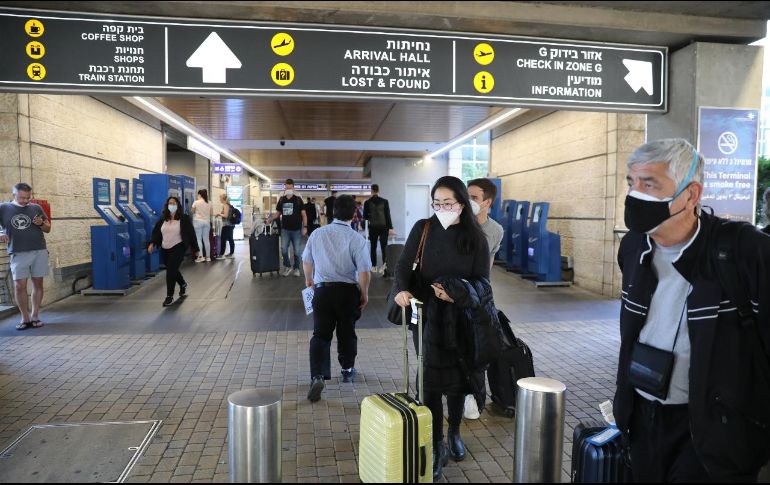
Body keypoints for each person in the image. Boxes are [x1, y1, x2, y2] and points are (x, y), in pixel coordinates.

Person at [615, 138, 770, 482]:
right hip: (643, 418)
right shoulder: (633, 247)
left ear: (691, 194)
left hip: (716, 429)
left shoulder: (745, 251)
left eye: (650, 184)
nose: (635, 194)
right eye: (632, 183)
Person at [393, 176, 490, 480]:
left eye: (448, 203)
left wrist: (457, 293)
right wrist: (401, 290)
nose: (442, 208)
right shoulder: (424, 229)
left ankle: (455, 431)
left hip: (462, 317)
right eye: (437, 203)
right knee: (430, 382)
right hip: (426, 315)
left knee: (459, 380)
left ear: (462, 203)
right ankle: (436, 443)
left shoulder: (475, 238)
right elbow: (402, 266)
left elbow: (482, 283)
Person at [302, 195, 372, 402]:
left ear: (333, 212)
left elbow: (307, 261)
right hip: (347, 292)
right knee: (346, 332)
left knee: (320, 334)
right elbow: (364, 271)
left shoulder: (317, 234)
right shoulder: (357, 238)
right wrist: (364, 293)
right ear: (353, 214)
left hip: (322, 291)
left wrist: (309, 281)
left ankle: (317, 375)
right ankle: (347, 370)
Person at [0, 183, 51, 330]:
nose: (25, 201)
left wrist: (41, 223)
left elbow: (48, 228)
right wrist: (1, 233)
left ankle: (35, 316)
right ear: (14, 194)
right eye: (21, 197)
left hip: (39, 250)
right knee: (19, 286)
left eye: (28, 198)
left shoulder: (36, 208)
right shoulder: (3, 208)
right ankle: (25, 318)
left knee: (38, 284)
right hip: (17, 251)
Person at [148, 196, 199, 307]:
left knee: (170, 271)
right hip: (165, 248)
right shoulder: (163, 219)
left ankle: (169, 296)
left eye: (174, 203)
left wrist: (196, 249)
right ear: (167, 205)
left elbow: (191, 233)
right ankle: (183, 284)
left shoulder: (184, 218)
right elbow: (156, 232)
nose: (172, 205)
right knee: (173, 269)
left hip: (178, 247)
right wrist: (152, 243)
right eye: (170, 203)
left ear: (178, 205)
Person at [270, 179, 307, 277]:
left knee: (297, 251)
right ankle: (287, 266)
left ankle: (297, 268)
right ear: (285, 187)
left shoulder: (298, 199)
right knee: (284, 250)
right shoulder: (282, 199)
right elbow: (278, 213)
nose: (289, 189)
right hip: (285, 229)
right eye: (287, 187)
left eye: (290, 187)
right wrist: (269, 219)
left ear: (293, 187)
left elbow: (304, 214)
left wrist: (305, 227)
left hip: (296, 230)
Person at [468, 178, 504, 269]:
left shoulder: (496, 230)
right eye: (467, 197)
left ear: (488, 202)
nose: (469, 202)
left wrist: (484, 282)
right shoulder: (456, 225)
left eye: (474, 198)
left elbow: (489, 260)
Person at [363, 184, 394, 273]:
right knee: (384, 247)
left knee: (373, 247)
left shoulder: (367, 202)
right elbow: (388, 215)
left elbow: (365, 216)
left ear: (371, 191)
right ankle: (384, 265)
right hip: (384, 228)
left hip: (373, 228)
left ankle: (374, 266)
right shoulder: (385, 201)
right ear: (378, 191)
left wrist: (371, 215)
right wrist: (390, 227)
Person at [191, 189, 213, 262]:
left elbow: (192, 211)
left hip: (198, 221)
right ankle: (208, 257)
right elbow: (211, 213)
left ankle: (200, 257)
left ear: (200, 194)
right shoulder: (209, 202)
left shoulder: (196, 202)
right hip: (207, 222)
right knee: (206, 240)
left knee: (198, 239)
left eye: (198, 194)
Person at [217, 194, 235, 259]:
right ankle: (231, 254)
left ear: (223, 199)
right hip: (231, 225)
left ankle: (221, 254)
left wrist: (219, 214)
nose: (219, 199)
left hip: (227, 225)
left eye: (220, 198)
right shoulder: (229, 205)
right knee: (230, 239)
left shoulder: (225, 205)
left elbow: (226, 216)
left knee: (223, 239)